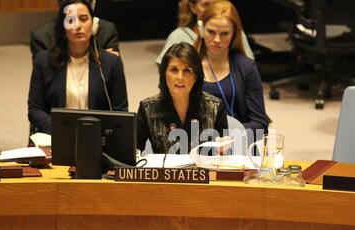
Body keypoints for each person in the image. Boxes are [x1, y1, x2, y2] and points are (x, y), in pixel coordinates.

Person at [28, 0, 128, 134]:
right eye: (71, 20)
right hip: (56, 135)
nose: (78, 25)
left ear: (93, 25)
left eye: (83, 19)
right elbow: (35, 109)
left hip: (98, 137)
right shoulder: (44, 61)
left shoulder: (111, 62)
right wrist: (60, 130)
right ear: (62, 26)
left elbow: (120, 111)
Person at [137, 42, 228, 154]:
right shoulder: (148, 108)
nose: (180, 77)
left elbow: (225, 156)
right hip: (165, 171)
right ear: (164, 74)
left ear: (196, 76)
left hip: (203, 171)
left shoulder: (215, 107)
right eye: (174, 70)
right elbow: (133, 152)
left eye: (187, 71)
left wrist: (222, 151)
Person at [194, 0, 268, 136]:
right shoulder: (187, 66)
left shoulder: (246, 67)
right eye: (211, 32)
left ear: (234, 34)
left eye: (224, 34)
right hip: (194, 141)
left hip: (236, 143)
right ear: (201, 30)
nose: (217, 39)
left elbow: (260, 124)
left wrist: (228, 135)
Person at [155, 0, 254, 67]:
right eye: (206, 4)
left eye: (216, 4)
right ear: (192, 7)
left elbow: (249, 70)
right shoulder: (178, 36)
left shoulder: (235, 33)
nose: (212, 10)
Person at [30, 0, 120, 60]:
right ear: (59, 8)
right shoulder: (42, 37)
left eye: (83, 18)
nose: (77, 25)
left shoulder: (107, 30)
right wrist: (100, 59)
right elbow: (44, 77)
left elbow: (113, 75)